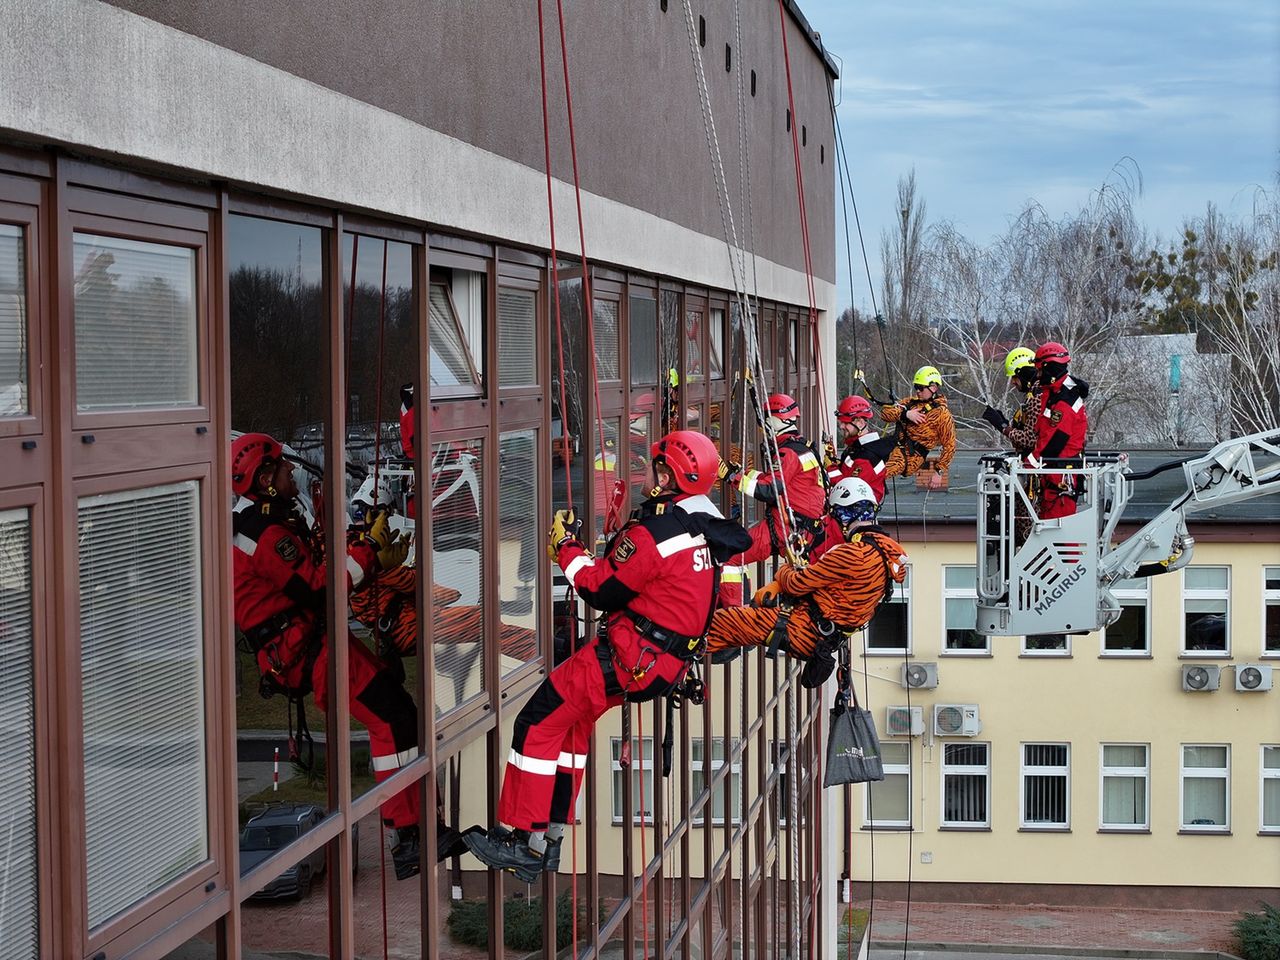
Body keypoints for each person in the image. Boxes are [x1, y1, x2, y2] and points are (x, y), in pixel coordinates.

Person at [464, 430, 751, 883]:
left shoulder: (657, 533)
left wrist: (565, 548)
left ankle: (520, 837)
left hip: (628, 657)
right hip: (657, 664)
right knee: (570, 730)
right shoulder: (710, 527)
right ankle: (550, 840)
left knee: (535, 723)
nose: (650, 476)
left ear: (670, 474)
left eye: (657, 468)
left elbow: (598, 588)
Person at [230, 433, 464, 880]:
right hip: (304, 651)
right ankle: (409, 837)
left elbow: (319, 569)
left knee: (401, 711)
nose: (290, 472)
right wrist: (368, 553)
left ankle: (415, 829)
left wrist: (371, 559)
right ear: (265, 479)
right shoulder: (264, 536)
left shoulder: (270, 523)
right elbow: (319, 587)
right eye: (281, 467)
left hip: (311, 641)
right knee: (391, 717)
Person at [707, 477, 908, 687]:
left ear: (843, 515)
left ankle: (676, 649)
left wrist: (783, 573)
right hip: (819, 632)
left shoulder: (852, 554)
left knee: (725, 622)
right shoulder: (887, 557)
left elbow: (796, 583)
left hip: (802, 629)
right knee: (736, 626)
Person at [719, 392, 829, 605]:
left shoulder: (787, 453)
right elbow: (780, 481)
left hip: (784, 528)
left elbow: (770, 489)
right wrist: (743, 473)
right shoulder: (803, 448)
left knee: (730, 557)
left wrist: (731, 477)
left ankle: (734, 615)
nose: (764, 426)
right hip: (798, 528)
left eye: (766, 420)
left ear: (778, 420)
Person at [1027, 341, 1088, 519]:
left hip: (1060, 479)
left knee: (1061, 536)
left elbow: (1054, 441)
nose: (1038, 376)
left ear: (1049, 369)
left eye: (1039, 371)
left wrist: (1027, 464)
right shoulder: (1055, 393)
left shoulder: (1065, 400)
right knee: (1051, 533)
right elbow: (1043, 431)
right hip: (1052, 476)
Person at [881, 365, 956, 489]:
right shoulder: (910, 403)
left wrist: (939, 472)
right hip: (893, 445)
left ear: (933, 387)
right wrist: (905, 414)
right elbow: (885, 414)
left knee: (875, 474)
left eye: (921, 388)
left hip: (910, 456)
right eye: (916, 387)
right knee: (864, 457)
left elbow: (950, 445)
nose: (917, 391)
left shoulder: (942, 414)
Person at [826, 394, 895, 501]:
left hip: (856, 512)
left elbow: (849, 490)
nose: (841, 426)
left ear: (860, 422)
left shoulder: (866, 456)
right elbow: (847, 473)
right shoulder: (858, 448)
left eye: (845, 423)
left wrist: (831, 468)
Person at [980, 347, 1041, 456]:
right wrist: (1004, 423)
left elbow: (1029, 440)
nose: (1013, 382)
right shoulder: (1031, 395)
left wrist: (1004, 428)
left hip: (1034, 463)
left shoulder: (1037, 397)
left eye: (1015, 377)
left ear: (1025, 375)